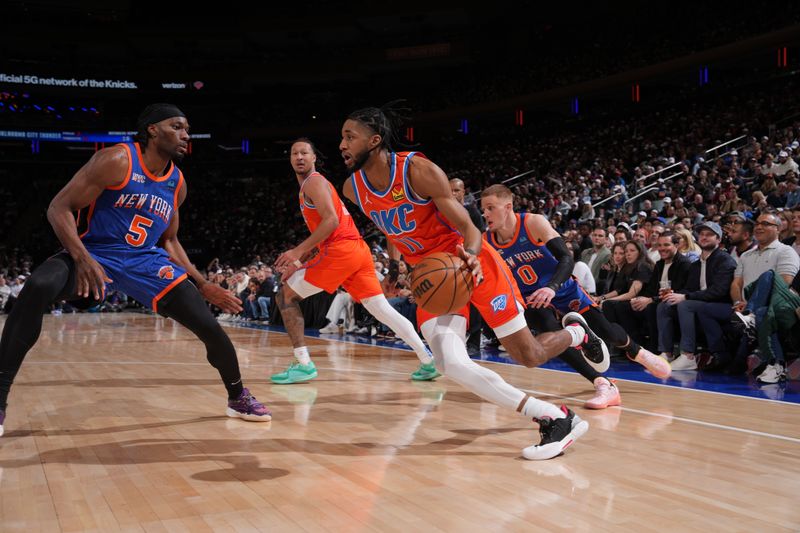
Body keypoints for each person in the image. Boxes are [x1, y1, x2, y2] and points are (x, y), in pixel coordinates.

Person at [339, 104, 609, 460]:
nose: (342, 144)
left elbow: (470, 225)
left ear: (374, 141)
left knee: (529, 356)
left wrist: (469, 252)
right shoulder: (352, 188)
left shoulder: (417, 171)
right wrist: (394, 269)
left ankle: (578, 334)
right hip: (432, 279)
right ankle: (554, 417)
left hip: (470, 264)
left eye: (349, 136)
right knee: (449, 363)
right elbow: (393, 229)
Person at [0, 103, 271, 438]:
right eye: (177, 126)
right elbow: (59, 207)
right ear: (152, 130)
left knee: (208, 326)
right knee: (39, 286)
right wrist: (82, 258)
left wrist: (202, 284)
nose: (185, 134)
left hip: (146, 261)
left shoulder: (177, 183)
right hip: (97, 253)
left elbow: (170, 240)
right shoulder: (117, 160)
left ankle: (237, 397)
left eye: (187, 128)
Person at [481, 185, 672, 409]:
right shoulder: (487, 241)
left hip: (561, 287)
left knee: (606, 331)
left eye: (490, 208)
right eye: (483, 209)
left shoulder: (532, 223)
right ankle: (603, 383)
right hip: (531, 297)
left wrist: (552, 287)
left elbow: (566, 257)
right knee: (551, 338)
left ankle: (636, 351)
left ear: (508, 207)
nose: (485, 214)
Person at [271, 138, 439, 384]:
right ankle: (427, 360)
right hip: (356, 251)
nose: (299, 157)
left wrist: (297, 252)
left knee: (285, 296)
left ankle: (303, 364)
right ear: (290, 159)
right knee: (381, 309)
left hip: (341, 250)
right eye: (295, 153)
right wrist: (300, 260)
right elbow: (326, 228)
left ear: (314, 157)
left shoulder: (313, 182)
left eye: (304, 153)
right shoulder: (313, 185)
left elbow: (331, 222)